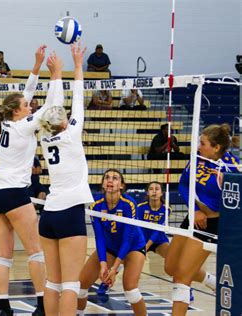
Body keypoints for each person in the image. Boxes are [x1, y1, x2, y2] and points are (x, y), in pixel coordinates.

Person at [0, 45, 49, 316]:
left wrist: (36, 64)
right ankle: (43, 305)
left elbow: (28, 92)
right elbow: (49, 108)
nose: (29, 103)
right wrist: (55, 76)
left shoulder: (11, 122)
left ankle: (3, 307)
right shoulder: (24, 124)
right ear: (17, 112)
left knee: (4, 254)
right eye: (26, 105)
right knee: (35, 251)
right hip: (13, 194)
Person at [38, 43, 93, 316]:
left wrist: (56, 74)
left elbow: (52, 106)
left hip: (48, 215)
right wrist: (77, 64)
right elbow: (78, 100)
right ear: (64, 122)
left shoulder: (44, 137)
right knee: (71, 284)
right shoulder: (71, 133)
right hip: (70, 213)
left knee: (53, 281)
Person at [165, 124, 240, 315]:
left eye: (203, 143)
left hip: (211, 224)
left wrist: (226, 184)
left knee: (181, 277)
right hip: (193, 217)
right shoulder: (197, 159)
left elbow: (234, 204)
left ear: (216, 147)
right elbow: (183, 185)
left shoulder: (232, 167)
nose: (199, 146)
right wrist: (196, 209)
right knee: (171, 267)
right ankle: (211, 281)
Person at [97, 181, 217, 297]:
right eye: (151, 189)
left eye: (157, 189)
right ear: (147, 193)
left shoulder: (166, 208)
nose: (154, 192)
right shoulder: (139, 207)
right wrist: (142, 245)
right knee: (122, 259)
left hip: (158, 241)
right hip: (140, 241)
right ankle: (106, 283)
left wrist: (147, 245)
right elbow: (135, 227)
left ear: (161, 193)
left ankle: (203, 283)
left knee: (177, 263)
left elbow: (157, 231)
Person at [78, 169, 147, 316]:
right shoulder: (95, 205)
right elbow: (99, 237)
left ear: (121, 185)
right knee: (81, 287)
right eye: (107, 177)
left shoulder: (129, 204)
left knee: (131, 291)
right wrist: (103, 264)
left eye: (115, 178)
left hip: (133, 247)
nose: (110, 180)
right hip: (109, 247)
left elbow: (128, 239)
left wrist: (114, 269)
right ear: (103, 184)